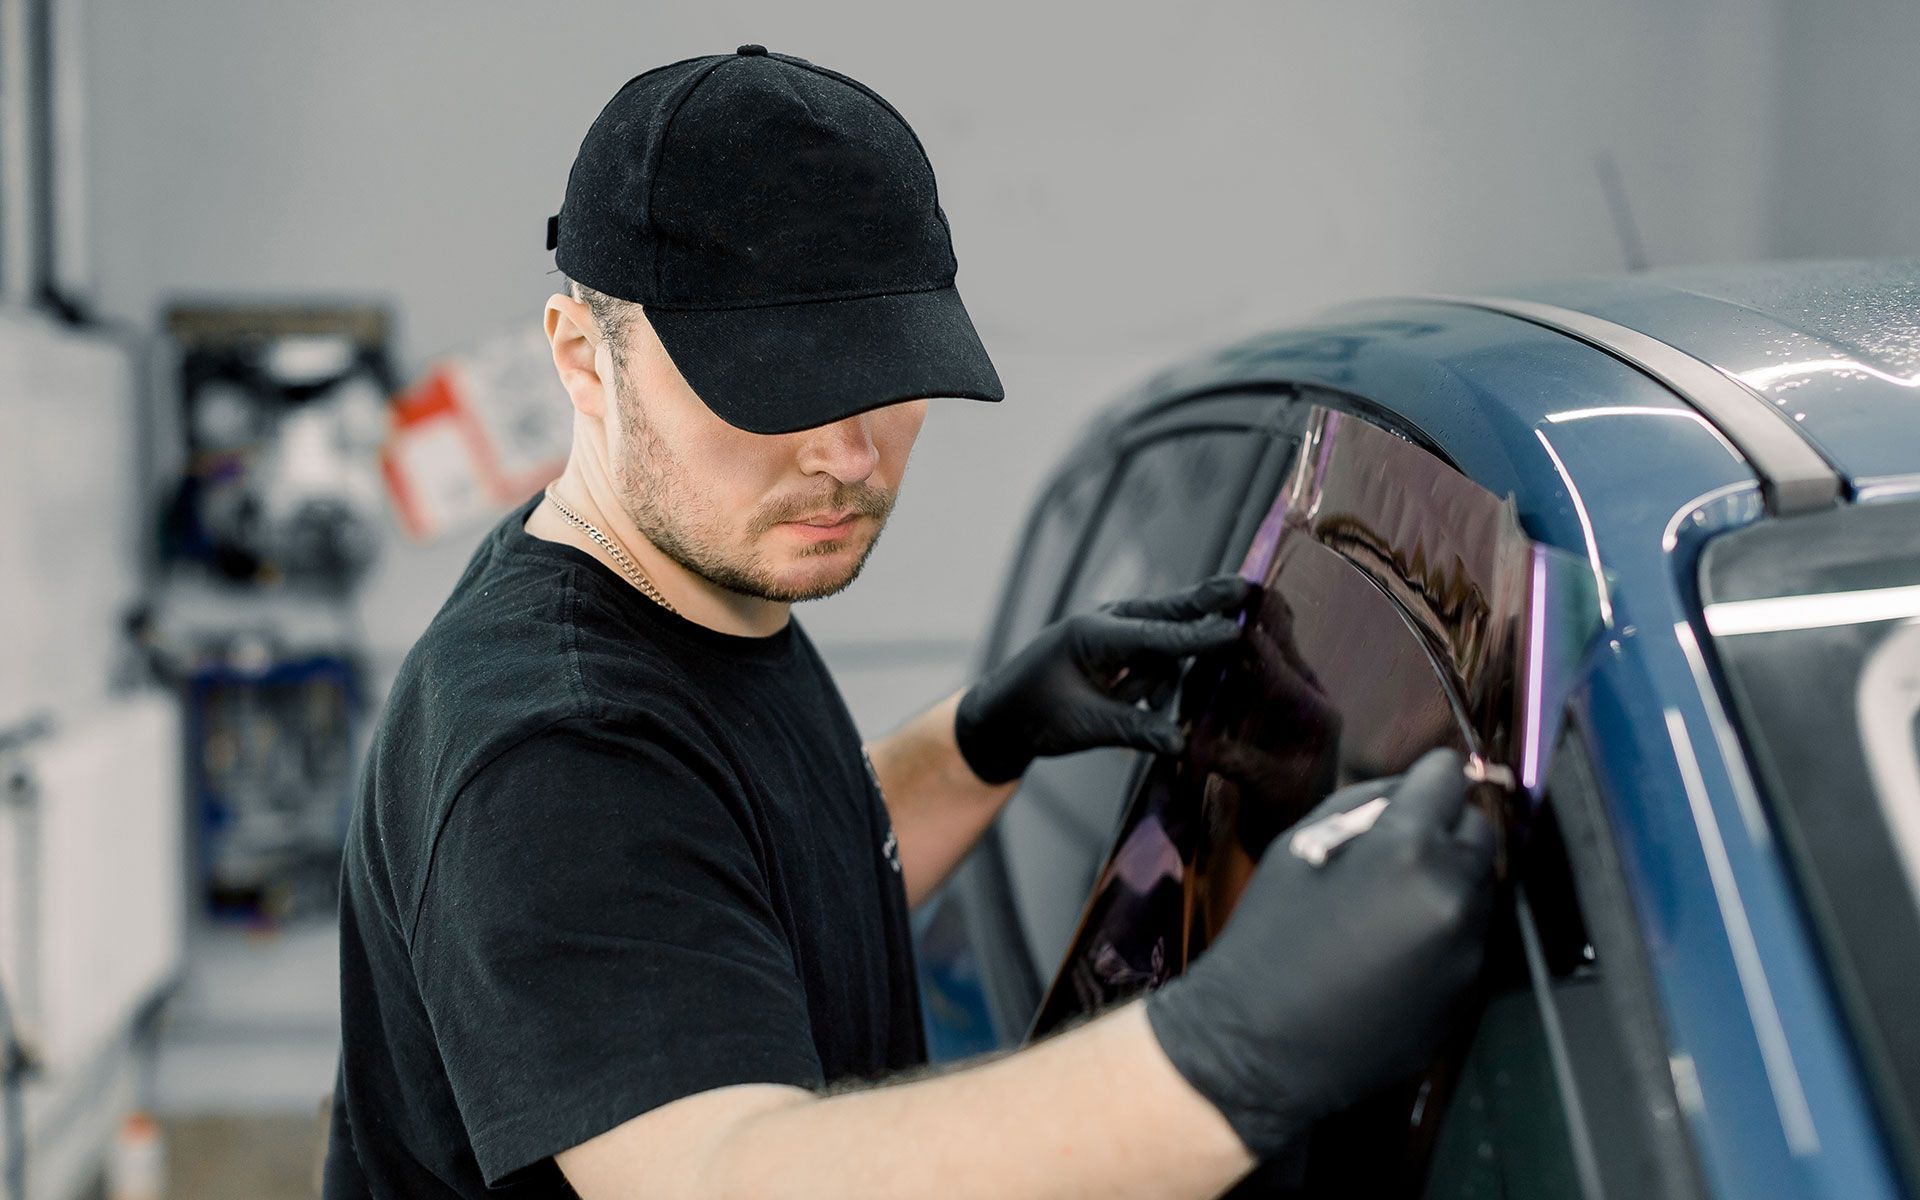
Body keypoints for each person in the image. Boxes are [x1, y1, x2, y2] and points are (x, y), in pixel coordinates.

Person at [322, 44, 1496, 1199]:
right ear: (585, 361)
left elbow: (735, 886)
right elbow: (721, 1173)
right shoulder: (555, 750)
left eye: (882, 375)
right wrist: (1235, 1049)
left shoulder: (693, 586)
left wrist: (983, 741)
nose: (845, 454)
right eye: (771, 385)